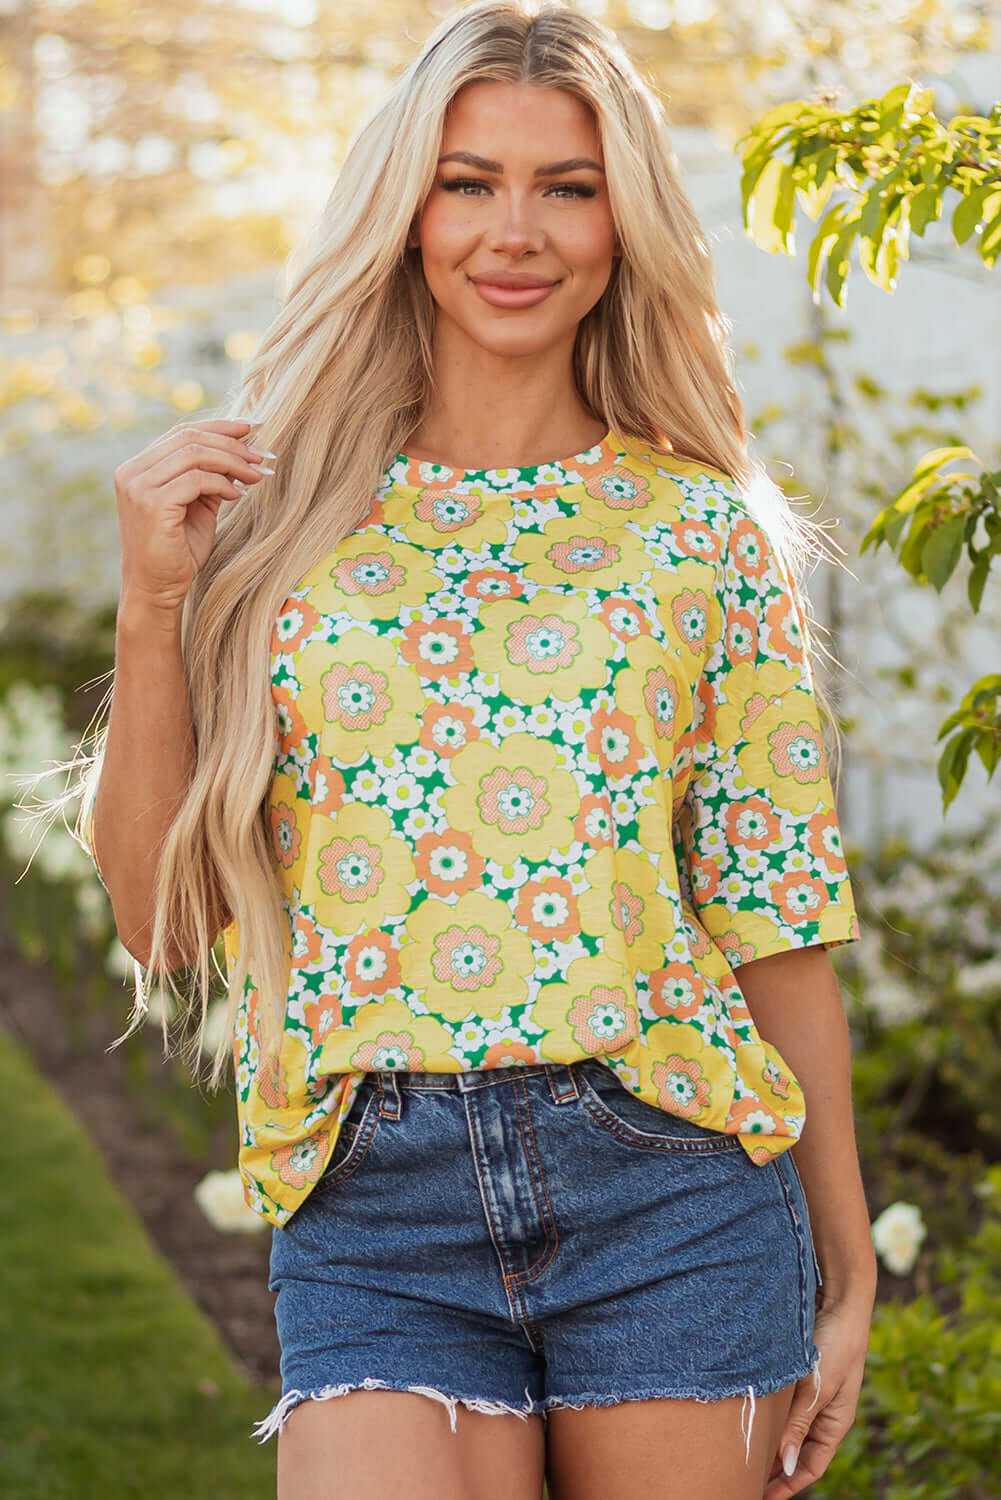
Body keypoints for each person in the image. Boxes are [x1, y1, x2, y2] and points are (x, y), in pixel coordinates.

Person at [72, 2, 877, 1496]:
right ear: (405, 212)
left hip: (676, 1184)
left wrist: (850, 1261)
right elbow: (159, 921)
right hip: (376, 1209)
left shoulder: (702, 533)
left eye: (567, 187)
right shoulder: (271, 529)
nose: (517, 231)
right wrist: (154, 603)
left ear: (623, 222)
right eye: (468, 182)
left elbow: (773, 913)